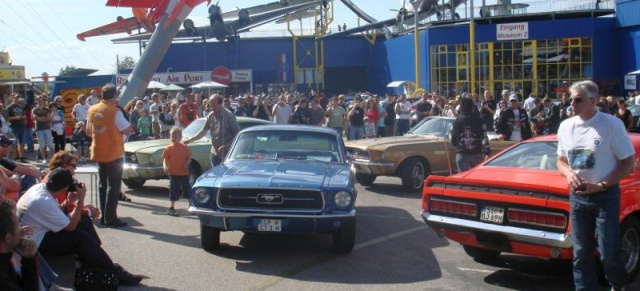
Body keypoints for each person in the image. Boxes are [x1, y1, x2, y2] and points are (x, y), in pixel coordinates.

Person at [556, 80, 635, 291]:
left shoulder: (611, 124)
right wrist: (570, 174)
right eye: (571, 98)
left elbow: (628, 163)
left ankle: (618, 285)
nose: (572, 103)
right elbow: (561, 161)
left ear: (594, 101)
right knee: (581, 253)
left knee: (608, 252)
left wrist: (601, 185)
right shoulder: (566, 126)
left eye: (578, 99)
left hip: (605, 196)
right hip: (578, 198)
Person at [16, 168, 143, 286]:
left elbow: (53, 213)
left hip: (35, 235)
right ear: (64, 188)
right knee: (79, 237)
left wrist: (68, 202)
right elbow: (70, 227)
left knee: (84, 220)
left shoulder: (40, 189)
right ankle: (111, 270)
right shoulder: (43, 201)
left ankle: (97, 258)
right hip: (34, 246)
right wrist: (81, 200)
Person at [87, 83, 134, 227]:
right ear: (114, 96)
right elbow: (128, 131)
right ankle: (111, 218)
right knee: (113, 186)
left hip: (98, 151)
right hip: (114, 152)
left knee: (102, 185)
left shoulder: (92, 109)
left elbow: (89, 131)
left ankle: (103, 216)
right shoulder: (114, 111)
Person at [183, 94, 240, 167]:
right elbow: (203, 132)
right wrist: (190, 140)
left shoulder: (229, 116)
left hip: (226, 154)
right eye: (211, 106)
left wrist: (227, 145)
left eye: (214, 106)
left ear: (220, 104)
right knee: (215, 176)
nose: (212, 108)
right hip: (214, 153)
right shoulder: (210, 115)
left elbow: (238, 134)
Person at [0, 197, 39, 291]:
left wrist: (28, 259)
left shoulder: (4, 261)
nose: (21, 231)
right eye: (18, 227)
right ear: (7, 238)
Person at [450, 98, 490, 172]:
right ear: (472, 107)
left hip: (462, 154)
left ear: (461, 108)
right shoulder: (479, 120)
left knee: (463, 179)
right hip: (477, 153)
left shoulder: (457, 121)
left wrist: (459, 146)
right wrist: (487, 151)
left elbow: (453, 140)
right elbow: (484, 136)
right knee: (476, 179)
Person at [162, 128, 192, 217]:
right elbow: (165, 159)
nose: (173, 138)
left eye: (175, 136)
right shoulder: (168, 148)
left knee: (187, 189)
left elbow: (189, 158)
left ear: (180, 137)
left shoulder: (185, 148)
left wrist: (187, 164)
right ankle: (171, 207)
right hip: (173, 173)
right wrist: (165, 167)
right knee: (173, 190)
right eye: (172, 136)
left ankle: (191, 205)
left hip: (184, 173)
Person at [33, 95, 54, 163]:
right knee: (42, 145)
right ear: (37, 101)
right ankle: (44, 159)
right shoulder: (34, 109)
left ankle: (52, 158)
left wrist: (40, 118)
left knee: (50, 144)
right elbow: (34, 117)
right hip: (39, 129)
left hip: (47, 128)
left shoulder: (47, 109)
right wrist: (44, 118)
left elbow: (49, 117)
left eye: (42, 100)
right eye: (39, 100)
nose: (40, 101)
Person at [6, 94, 27, 162]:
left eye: (18, 98)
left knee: (22, 143)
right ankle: (16, 157)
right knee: (15, 143)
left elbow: (24, 115)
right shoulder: (9, 107)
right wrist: (16, 118)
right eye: (15, 98)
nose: (17, 99)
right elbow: (7, 118)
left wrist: (24, 118)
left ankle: (21, 157)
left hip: (22, 126)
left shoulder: (21, 107)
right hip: (14, 127)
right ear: (12, 98)